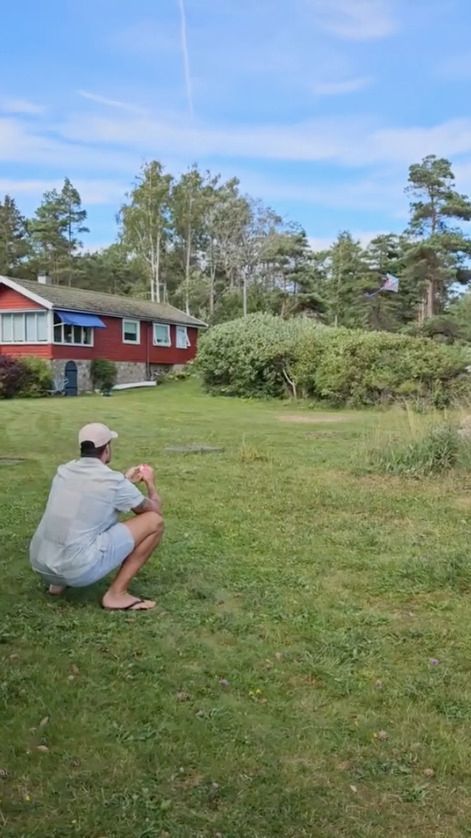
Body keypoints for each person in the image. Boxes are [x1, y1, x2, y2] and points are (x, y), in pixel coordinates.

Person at [29, 422, 164, 612]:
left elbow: (90, 496)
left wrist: (125, 481)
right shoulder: (113, 482)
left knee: (76, 519)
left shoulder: (64, 471)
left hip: (40, 564)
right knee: (155, 523)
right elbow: (154, 512)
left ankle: (57, 584)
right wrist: (150, 483)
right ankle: (117, 595)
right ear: (107, 448)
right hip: (76, 570)